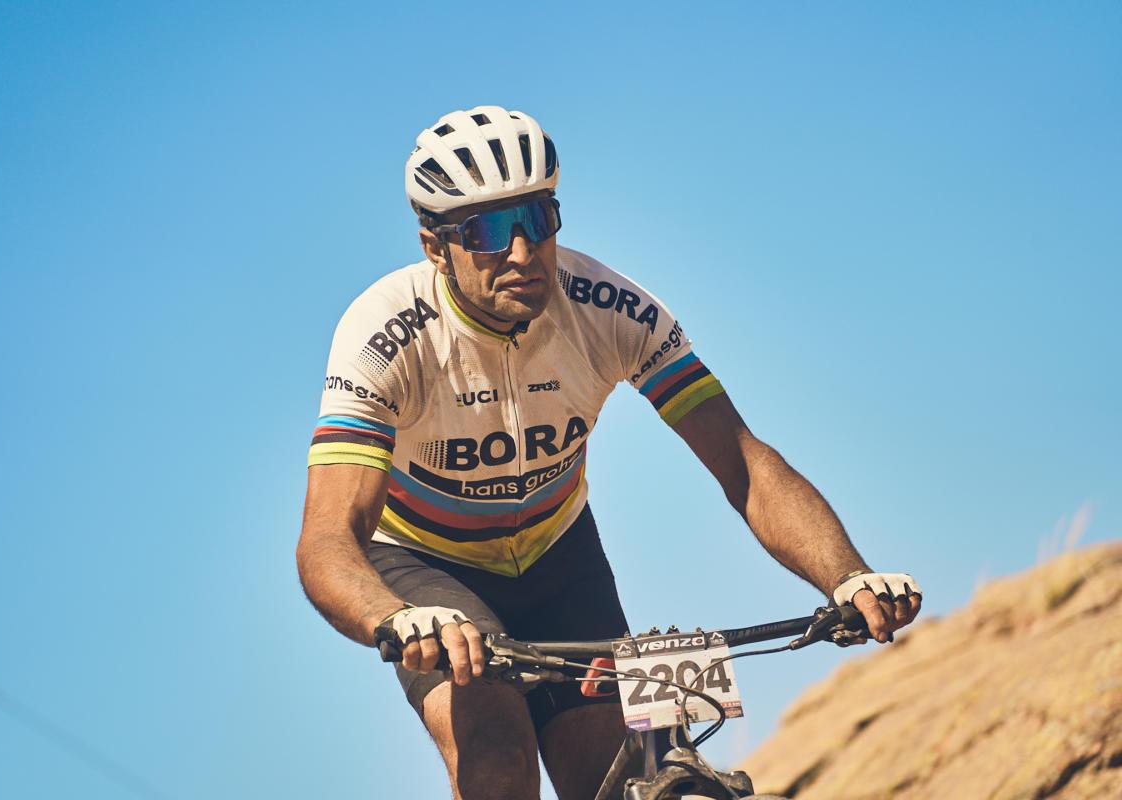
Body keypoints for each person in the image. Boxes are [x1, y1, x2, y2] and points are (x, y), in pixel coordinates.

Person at [296, 105, 922, 800]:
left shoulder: (609, 307)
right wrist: (391, 617)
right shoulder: (385, 334)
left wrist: (848, 577)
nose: (522, 252)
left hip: (559, 558)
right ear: (435, 247)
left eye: (537, 219)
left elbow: (744, 464)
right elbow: (327, 538)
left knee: (637, 775)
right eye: (488, 231)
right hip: (427, 567)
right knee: (498, 753)